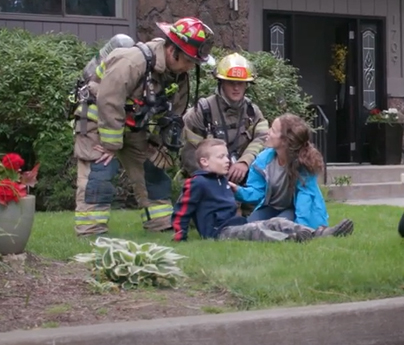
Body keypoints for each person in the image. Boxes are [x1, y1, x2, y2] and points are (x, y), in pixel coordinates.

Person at [72, 17, 214, 236]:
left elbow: (174, 113)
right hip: (97, 122)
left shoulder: (178, 74)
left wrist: (159, 144)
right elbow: (109, 100)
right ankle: (91, 231)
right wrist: (110, 144)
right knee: (99, 172)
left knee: (152, 169)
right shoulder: (133, 61)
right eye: (188, 60)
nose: (190, 66)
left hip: (133, 127)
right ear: (171, 50)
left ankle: (161, 225)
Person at [171, 138, 353, 242]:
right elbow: (182, 210)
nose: (227, 160)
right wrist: (180, 234)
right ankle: (289, 239)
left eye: (227, 156)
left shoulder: (222, 181)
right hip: (219, 232)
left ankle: (319, 233)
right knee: (259, 229)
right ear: (204, 162)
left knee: (275, 221)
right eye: (221, 157)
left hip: (235, 224)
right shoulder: (197, 183)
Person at [228, 113, 354, 236]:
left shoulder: (304, 163)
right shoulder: (262, 161)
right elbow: (257, 191)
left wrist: (301, 227)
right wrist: (238, 191)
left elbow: (304, 202)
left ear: (285, 140)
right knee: (251, 227)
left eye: (273, 130)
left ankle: (322, 232)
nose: (268, 132)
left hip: (293, 209)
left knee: (283, 226)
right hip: (272, 207)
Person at [179, 53, 269, 186]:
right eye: (231, 82)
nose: (236, 88)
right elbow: (190, 154)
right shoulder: (202, 111)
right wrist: (216, 180)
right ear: (221, 82)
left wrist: (245, 161)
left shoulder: (252, 112)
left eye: (241, 83)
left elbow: (263, 138)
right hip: (206, 183)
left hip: (243, 183)